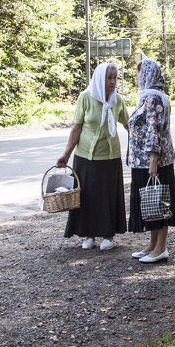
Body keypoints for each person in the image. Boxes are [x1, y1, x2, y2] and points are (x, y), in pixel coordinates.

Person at [57, 63, 129, 250]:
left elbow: (129, 124)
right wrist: (66, 154)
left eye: (115, 78)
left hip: (110, 157)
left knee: (107, 197)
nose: (113, 82)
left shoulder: (117, 100)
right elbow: (77, 128)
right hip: (85, 157)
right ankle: (88, 234)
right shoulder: (85, 98)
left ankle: (108, 235)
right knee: (87, 196)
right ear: (99, 79)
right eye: (109, 78)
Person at [126, 58, 175, 263]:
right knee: (151, 203)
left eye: (139, 72)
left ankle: (161, 248)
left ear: (148, 74)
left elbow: (153, 129)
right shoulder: (152, 96)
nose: (137, 76)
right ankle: (152, 245)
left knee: (159, 202)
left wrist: (153, 160)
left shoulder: (153, 98)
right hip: (144, 161)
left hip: (152, 161)